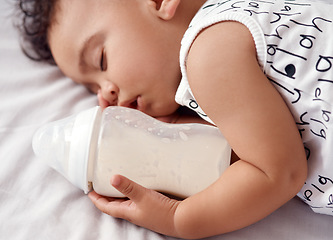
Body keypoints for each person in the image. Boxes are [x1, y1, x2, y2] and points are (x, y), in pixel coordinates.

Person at [17, 0, 333, 238]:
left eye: (101, 60)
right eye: (91, 88)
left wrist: (178, 218)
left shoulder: (208, 53)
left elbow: (277, 173)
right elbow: (246, 146)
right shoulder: (236, 25)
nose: (104, 95)